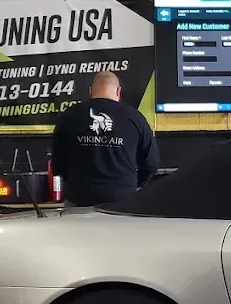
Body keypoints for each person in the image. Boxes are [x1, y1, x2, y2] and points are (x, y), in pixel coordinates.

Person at [50, 71, 158, 206]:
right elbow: (152, 163)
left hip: (79, 199)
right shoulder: (135, 118)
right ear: (118, 91)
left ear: (90, 91)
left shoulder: (69, 116)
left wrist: (73, 183)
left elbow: (57, 164)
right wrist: (132, 185)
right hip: (122, 201)